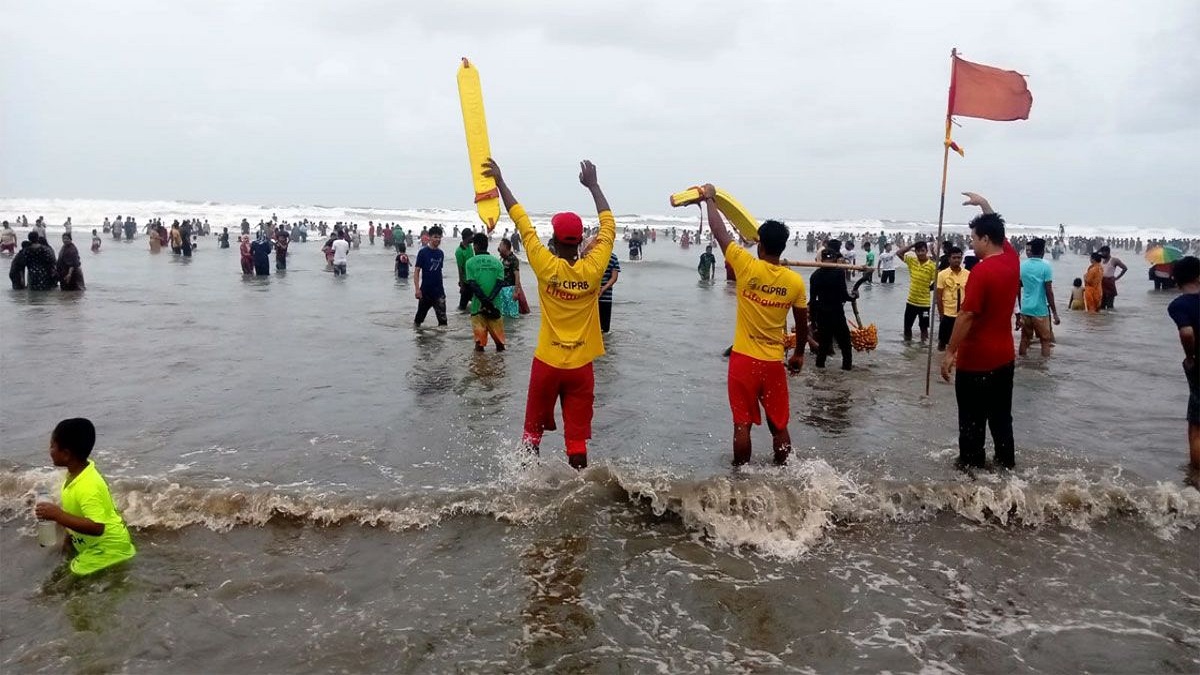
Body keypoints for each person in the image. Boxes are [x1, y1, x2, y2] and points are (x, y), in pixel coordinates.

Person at [483, 157, 614, 470]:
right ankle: (580, 498)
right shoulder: (594, 268)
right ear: (581, 240)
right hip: (581, 367)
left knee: (532, 435)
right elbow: (609, 225)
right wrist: (594, 186)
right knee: (577, 442)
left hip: (547, 364)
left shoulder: (545, 264)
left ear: (553, 241)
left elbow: (522, 222)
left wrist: (500, 182)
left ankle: (529, 493)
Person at [698, 185, 808, 465]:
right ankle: (784, 475)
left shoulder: (746, 266)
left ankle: (740, 478)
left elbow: (719, 231)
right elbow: (802, 325)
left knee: (741, 424)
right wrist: (798, 354)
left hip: (744, 360)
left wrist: (709, 198)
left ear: (759, 245)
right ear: (782, 247)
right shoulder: (794, 281)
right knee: (779, 425)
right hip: (772, 362)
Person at [940, 192, 1020, 470]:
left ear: (985, 239)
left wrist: (950, 352)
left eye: (974, 238)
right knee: (1001, 420)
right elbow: (1000, 230)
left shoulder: (981, 273)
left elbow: (966, 316)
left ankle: (971, 476)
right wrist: (985, 204)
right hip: (1004, 359)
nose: (971, 244)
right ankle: (1006, 470)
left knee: (971, 424)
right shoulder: (1012, 259)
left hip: (976, 363)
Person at [33, 418, 137, 576]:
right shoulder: (75, 475)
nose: (49, 449)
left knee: (68, 582)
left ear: (66, 454)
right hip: (95, 545)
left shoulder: (88, 485)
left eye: (52, 445)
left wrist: (58, 515)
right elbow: (77, 512)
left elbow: (97, 527)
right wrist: (68, 542)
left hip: (109, 548)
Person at [1166, 256, 1200, 476]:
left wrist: (1190, 357)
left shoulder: (1178, 305)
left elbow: (1186, 332)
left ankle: (1196, 476)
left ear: (1176, 281)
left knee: (1197, 424)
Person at [809, 249, 855, 370]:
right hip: (837, 314)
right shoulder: (839, 273)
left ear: (822, 260)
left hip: (822, 315)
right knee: (845, 345)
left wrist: (813, 321)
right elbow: (844, 295)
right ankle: (846, 370)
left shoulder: (815, 276)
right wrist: (854, 296)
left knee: (823, 346)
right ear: (834, 259)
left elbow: (812, 301)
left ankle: (820, 372)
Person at [464, 232, 508, 351]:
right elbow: (500, 283)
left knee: (479, 345)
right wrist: (490, 301)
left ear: (476, 246)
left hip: (478, 308)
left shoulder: (470, 263)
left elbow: (472, 285)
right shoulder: (498, 263)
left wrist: (484, 301)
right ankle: (500, 367)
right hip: (495, 307)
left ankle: (480, 368)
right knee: (500, 345)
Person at [1018, 237, 1060, 357]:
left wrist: (1020, 306)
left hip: (1026, 308)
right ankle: (1044, 367)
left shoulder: (1022, 265)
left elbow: (1018, 287)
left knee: (1025, 339)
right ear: (1042, 251)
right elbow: (1049, 291)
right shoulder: (1046, 266)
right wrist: (1055, 313)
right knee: (1045, 340)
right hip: (1040, 310)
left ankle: (1022, 362)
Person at [895, 240, 937, 342]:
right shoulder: (912, 261)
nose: (920, 253)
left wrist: (929, 288)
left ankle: (923, 348)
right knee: (907, 327)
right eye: (918, 251)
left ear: (926, 251)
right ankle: (908, 347)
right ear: (915, 252)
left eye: (922, 250)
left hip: (924, 304)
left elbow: (937, 281)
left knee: (924, 328)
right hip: (911, 302)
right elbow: (899, 253)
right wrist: (913, 245)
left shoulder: (932, 265)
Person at [935, 247, 969, 351]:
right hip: (948, 313)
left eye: (959, 257)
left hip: (962, 314)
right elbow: (939, 297)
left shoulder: (968, 274)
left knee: (960, 342)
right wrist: (941, 315)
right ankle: (939, 361)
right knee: (942, 342)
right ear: (949, 259)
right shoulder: (942, 275)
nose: (957, 260)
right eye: (954, 258)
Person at [413, 225, 448, 327]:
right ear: (430, 237)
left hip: (439, 293)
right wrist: (417, 289)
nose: (438, 239)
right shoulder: (423, 252)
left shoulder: (440, 253)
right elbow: (416, 271)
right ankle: (419, 339)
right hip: (425, 292)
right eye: (435, 237)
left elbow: (439, 272)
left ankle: (439, 342)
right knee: (418, 320)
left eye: (439, 237)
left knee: (443, 322)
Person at [498, 238, 528, 316]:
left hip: (511, 289)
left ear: (505, 246)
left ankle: (514, 328)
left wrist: (516, 291)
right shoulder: (503, 259)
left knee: (513, 313)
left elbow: (517, 276)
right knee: (504, 314)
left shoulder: (513, 259)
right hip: (503, 289)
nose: (499, 247)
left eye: (500, 245)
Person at [597, 250, 620, 333]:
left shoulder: (591, 256)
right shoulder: (613, 257)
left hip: (591, 296)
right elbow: (614, 278)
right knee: (604, 328)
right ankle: (606, 345)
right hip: (606, 296)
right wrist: (603, 289)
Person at [1098, 246, 1127, 310]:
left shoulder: (1114, 260)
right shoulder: (1101, 260)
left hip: (1109, 282)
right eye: (1101, 252)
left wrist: (1117, 278)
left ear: (1108, 252)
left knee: (1109, 304)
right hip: (1101, 282)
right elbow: (1093, 255)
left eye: (1103, 252)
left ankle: (1111, 318)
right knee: (1101, 304)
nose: (1102, 254)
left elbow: (1125, 268)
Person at [455, 228, 476, 311]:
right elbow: (460, 269)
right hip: (466, 282)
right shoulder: (459, 251)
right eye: (471, 236)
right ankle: (459, 319)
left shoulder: (470, 246)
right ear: (467, 237)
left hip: (473, 279)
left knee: (476, 301)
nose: (472, 238)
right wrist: (462, 285)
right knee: (462, 307)